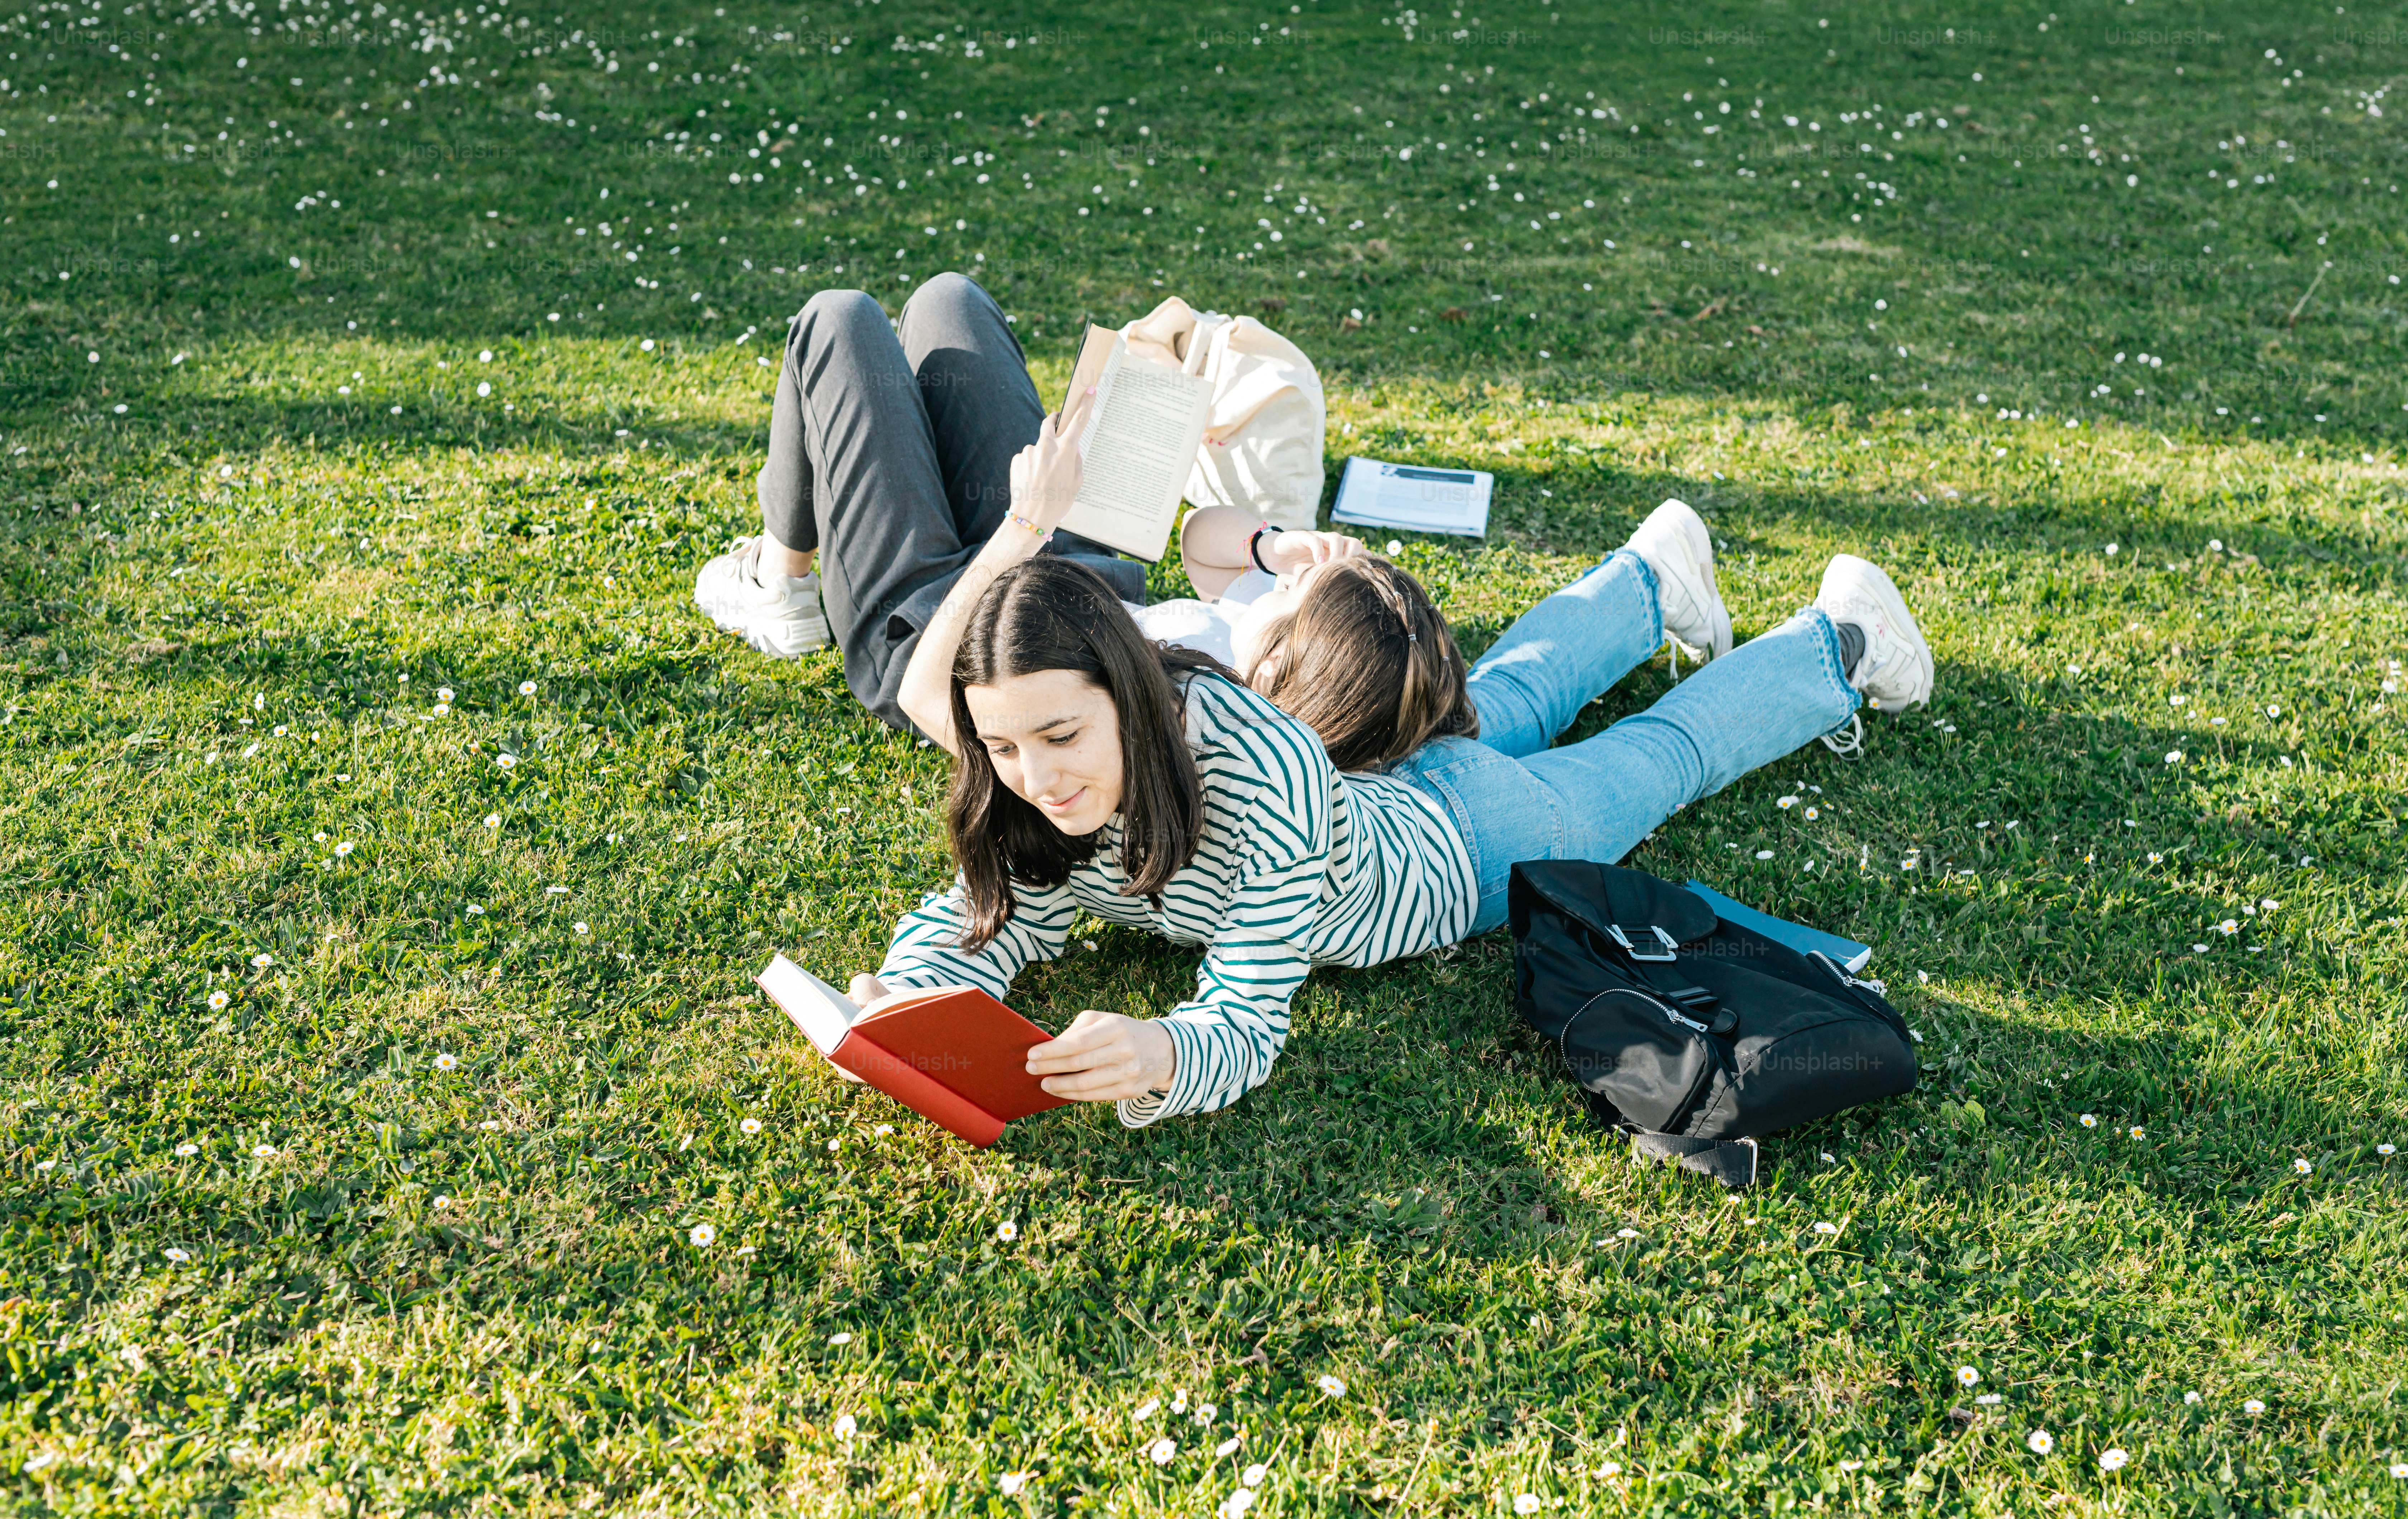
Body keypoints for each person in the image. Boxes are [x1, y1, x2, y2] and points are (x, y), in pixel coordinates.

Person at [845, 408, 1934, 1125]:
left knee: (1657, 760)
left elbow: (1241, 1021)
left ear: (1129, 698)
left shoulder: (1255, 771)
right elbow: (990, 915)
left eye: (1062, 737)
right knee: (1501, 697)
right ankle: (1650, 572)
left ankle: (1839, 638)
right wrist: (911, 997)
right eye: (1003, 745)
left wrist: (1156, 1051)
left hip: (1464, 845)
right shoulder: (1036, 780)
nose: (1036, 775)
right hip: (1384, 780)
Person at [692, 272, 1365, 731]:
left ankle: (782, 586)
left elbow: (933, 698)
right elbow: (1201, 545)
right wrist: (1271, 547)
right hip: (1067, 559)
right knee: (949, 301)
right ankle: (937, 492)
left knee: (837, 322)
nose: (1295, 586)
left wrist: (1029, 519)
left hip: (946, 635)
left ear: (1282, 664)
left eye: (1299, 597)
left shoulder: (1209, 715)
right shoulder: (1257, 633)